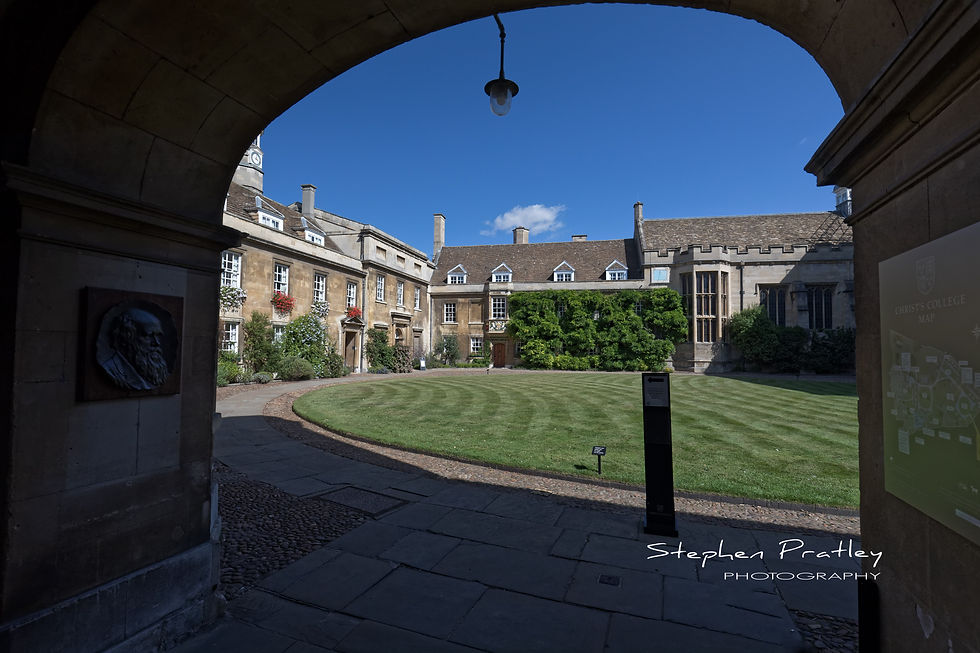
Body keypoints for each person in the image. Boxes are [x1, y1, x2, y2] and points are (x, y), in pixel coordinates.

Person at [99, 308, 171, 390]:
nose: (156, 343)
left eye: (158, 335)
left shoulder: (159, 372)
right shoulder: (111, 370)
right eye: (148, 336)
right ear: (127, 337)